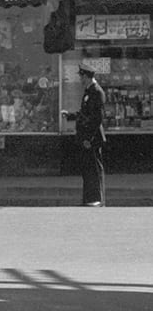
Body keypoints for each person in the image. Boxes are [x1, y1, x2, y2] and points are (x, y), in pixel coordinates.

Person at [63, 64, 107, 207]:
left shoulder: (96, 92)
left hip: (91, 139)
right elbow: (85, 114)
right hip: (85, 138)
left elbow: (96, 118)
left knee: (94, 168)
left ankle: (97, 199)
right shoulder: (89, 91)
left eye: (81, 76)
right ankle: (89, 198)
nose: (80, 79)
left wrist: (89, 138)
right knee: (87, 169)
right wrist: (70, 116)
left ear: (87, 77)